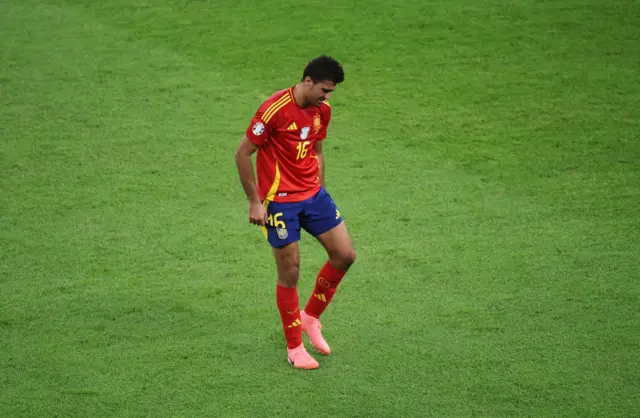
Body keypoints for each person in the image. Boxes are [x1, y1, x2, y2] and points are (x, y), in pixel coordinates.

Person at [234, 55, 356, 370]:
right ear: (308, 81)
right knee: (290, 272)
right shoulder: (274, 109)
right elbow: (243, 153)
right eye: (324, 90)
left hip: (313, 195)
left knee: (344, 255)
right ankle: (295, 348)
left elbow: (316, 150)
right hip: (279, 201)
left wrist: (322, 190)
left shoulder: (321, 111)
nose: (327, 98)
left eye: (330, 93)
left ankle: (310, 317)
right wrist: (254, 201)